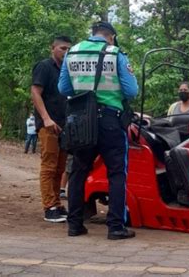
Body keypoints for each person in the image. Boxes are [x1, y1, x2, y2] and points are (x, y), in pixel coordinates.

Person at [58, 21, 138, 239]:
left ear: (92, 34)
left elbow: (63, 88)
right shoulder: (115, 53)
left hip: (82, 121)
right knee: (116, 173)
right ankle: (115, 227)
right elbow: (131, 91)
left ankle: (74, 225)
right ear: (110, 37)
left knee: (78, 171)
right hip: (110, 120)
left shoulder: (72, 53)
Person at [31, 36, 72, 223]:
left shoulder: (67, 69)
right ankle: (49, 206)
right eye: (62, 48)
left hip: (65, 124)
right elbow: (35, 92)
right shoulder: (44, 67)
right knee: (49, 165)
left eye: (68, 49)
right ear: (53, 48)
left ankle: (57, 203)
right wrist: (46, 119)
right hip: (49, 124)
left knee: (60, 167)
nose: (65, 52)